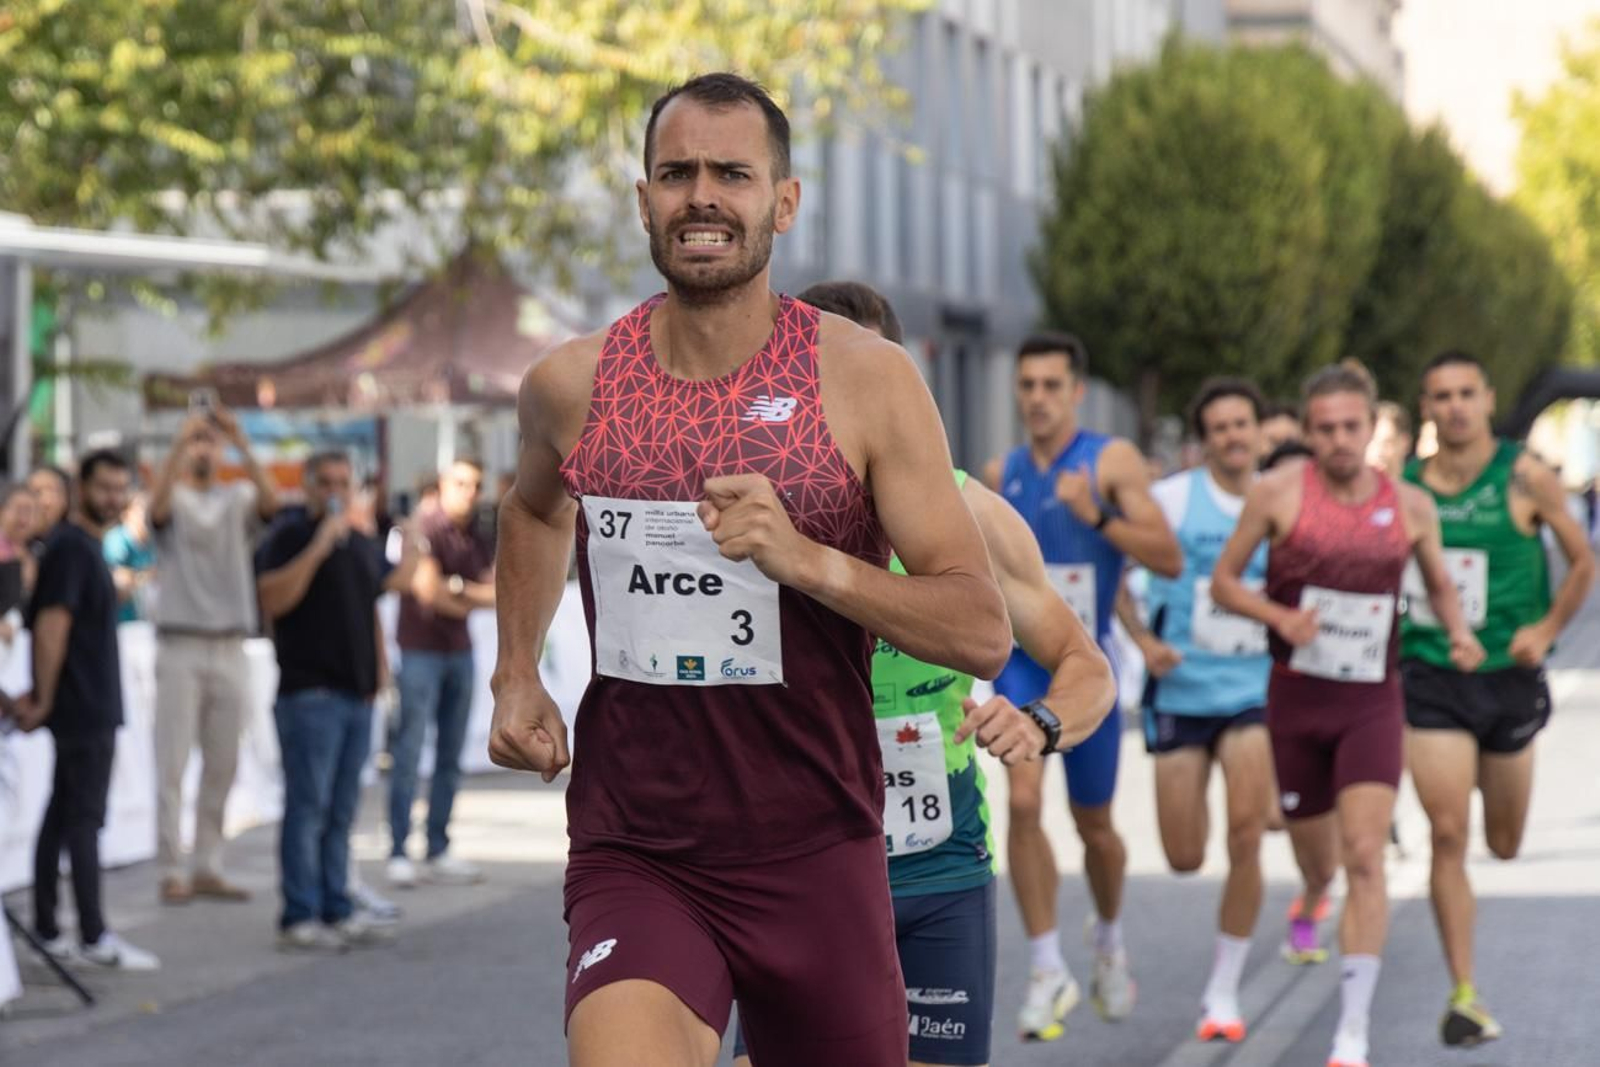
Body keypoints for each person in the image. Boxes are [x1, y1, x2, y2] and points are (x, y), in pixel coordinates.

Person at [489, 74, 1010, 1067]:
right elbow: (532, 507)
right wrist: (517, 671)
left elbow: (979, 627)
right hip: (638, 846)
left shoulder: (865, 379)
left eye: (732, 173)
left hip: (818, 847)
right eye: (676, 173)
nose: (701, 196)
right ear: (643, 199)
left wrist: (809, 561)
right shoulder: (571, 384)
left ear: (783, 201)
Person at [727, 280, 1117, 1067]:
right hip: (797, 868)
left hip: (936, 867)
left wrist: (1039, 722)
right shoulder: (753, 523)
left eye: (867, 371)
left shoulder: (974, 519)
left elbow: (1087, 666)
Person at [1211, 360, 1485, 1067]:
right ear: (1308, 431)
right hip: (1297, 702)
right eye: (1325, 428)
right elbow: (1223, 583)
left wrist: (1458, 631)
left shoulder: (1410, 504)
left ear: (1371, 427)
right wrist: (1279, 617)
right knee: (1320, 859)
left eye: (1350, 426)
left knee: (1365, 854)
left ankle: (1352, 1031)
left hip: (1371, 700)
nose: (1338, 440)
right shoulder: (1277, 493)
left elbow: (1439, 584)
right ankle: (1312, 893)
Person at [982, 333, 1181, 1039]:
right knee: (1023, 799)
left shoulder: (1109, 462)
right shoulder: (1000, 472)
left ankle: (1109, 938)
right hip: (1019, 662)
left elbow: (1167, 556)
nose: (1037, 398)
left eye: (1050, 385)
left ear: (1076, 391)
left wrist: (1096, 514)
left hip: (1083, 665)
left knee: (1094, 826)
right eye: (1027, 385)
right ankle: (1045, 966)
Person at [1401, 351, 1595, 1046]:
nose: (1454, 406)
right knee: (1447, 832)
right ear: (1426, 407)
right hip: (1430, 673)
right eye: (1441, 396)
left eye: (1465, 394)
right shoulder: (1405, 485)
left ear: (1487, 400)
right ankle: (1464, 993)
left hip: (1508, 678)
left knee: (1504, 843)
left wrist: (1545, 630)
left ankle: (1467, 983)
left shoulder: (1524, 475)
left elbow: (1583, 560)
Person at [1120, 378, 1276, 1044]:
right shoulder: (1174, 499)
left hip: (1255, 691)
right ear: (1204, 440)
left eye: (1242, 424)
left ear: (1260, 432)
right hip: (1182, 691)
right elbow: (1116, 570)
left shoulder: (1282, 498)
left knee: (1246, 834)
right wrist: (1143, 641)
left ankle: (1223, 989)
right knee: (1185, 854)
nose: (1233, 436)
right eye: (1220, 428)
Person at [255, 451, 420, 952]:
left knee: (342, 810)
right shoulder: (288, 535)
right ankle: (299, 914)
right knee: (308, 807)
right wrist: (317, 548)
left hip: (356, 696)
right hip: (310, 694)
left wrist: (413, 539)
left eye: (342, 483)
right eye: (324, 482)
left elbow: (389, 587)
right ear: (306, 486)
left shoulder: (358, 541)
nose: (333, 491)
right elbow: (272, 599)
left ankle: (336, 905)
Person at [14, 449, 160, 970]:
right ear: (81, 488)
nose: (113, 498)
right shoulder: (73, 548)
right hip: (81, 705)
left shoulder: (83, 547)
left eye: (121, 488)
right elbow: (51, 627)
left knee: (62, 814)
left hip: (87, 702)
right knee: (81, 821)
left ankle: (49, 929)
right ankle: (92, 935)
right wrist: (45, 697)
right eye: (104, 488)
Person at [147, 407, 280, 905]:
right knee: (172, 763)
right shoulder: (175, 498)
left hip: (230, 643)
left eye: (210, 440)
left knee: (223, 762)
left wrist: (241, 441)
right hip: (180, 642)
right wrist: (179, 445)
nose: (204, 448)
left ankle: (207, 863)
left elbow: (271, 504)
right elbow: (155, 512)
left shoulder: (238, 497)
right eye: (197, 440)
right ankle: (171, 867)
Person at [386, 456, 495, 888]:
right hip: (420, 652)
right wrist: (464, 595)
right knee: (409, 752)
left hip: (459, 652)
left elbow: (499, 592)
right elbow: (427, 591)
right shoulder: (424, 526)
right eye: (461, 483)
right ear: (444, 485)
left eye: (475, 485)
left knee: (450, 755)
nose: (469, 493)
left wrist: (458, 590)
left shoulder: (476, 533)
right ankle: (398, 849)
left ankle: (437, 846)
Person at [103, 490, 156, 623]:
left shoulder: (152, 542)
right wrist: (144, 576)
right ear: (127, 514)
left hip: (147, 620)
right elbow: (117, 577)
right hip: (121, 621)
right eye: (140, 511)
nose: (145, 516)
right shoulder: (117, 539)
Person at [26, 465, 70, 551]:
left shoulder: (77, 544)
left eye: (52, 492)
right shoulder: (14, 545)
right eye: (36, 492)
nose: (45, 501)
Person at [1367, 401, 1414, 480]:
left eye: (1387, 443)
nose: (1378, 452)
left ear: (1405, 443)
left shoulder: (1419, 486)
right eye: (1371, 442)